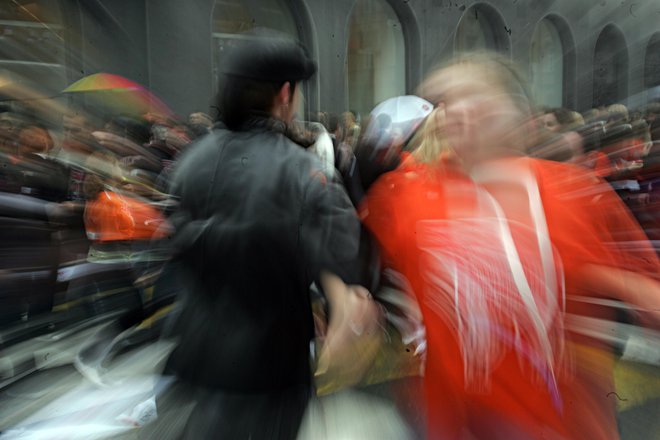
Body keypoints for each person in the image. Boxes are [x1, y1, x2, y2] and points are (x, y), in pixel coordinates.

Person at [362, 51, 660, 439]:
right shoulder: (407, 198)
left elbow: (643, 287)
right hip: (460, 422)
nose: (460, 112)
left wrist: (625, 288)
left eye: (477, 98)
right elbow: (358, 262)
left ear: (517, 115)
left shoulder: (574, 195)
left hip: (561, 423)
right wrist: (349, 303)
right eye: (448, 102)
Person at [150, 31, 367, 440]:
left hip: (193, 358)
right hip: (270, 372)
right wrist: (341, 301)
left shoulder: (189, 163)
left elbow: (171, 243)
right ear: (285, 94)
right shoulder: (302, 172)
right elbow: (338, 250)